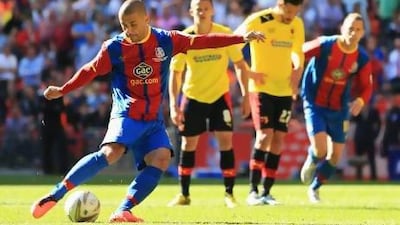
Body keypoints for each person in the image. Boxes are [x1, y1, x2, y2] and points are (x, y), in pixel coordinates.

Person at [30, 0, 265, 223]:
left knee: (161, 158)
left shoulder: (166, 40)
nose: (129, 30)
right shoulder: (114, 47)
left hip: (153, 120)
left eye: (133, 24)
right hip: (127, 115)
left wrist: (240, 38)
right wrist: (63, 89)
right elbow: (90, 70)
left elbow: (202, 41)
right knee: (111, 154)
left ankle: (123, 210)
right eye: (124, 26)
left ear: (147, 19)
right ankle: (55, 194)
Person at [166, 0, 264, 209]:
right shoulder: (184, 38)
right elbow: (175, 74)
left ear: (213, 11)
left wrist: (246, 96)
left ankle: (229, 194)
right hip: (193, 97)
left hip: (220, 97)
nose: (202, 12)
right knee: (188, 144)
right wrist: (174, 105)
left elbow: (240, 65)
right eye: (198, 8)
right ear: (191, 11)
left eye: (206, 8)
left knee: (226, 142)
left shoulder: (224, 33)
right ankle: (184, 194)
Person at [234, 0, 305, 205]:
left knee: (279, 138)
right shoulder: (259, 20)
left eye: (295, 12)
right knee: (265, 135)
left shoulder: (297, 24)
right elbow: (233, 44)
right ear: (280, 4)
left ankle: (267, 191)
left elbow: (298, 52)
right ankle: (252, 191)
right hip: (262, 89)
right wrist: (248, 71)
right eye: (289, 11)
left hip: (284, 91)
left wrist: (298, 69)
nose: (291, 16)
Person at [299, 13, 373, 203]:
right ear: (342, 28)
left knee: (335, 156)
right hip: (315, 103)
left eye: (358, 30)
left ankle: (315, 189)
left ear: (363, 33)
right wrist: (292, 75)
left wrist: (361, 101)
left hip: (339, 109)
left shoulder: (362, 57)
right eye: (350, 28)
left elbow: (367, 86)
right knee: (320, 149)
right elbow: (298, 54)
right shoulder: (325, 44)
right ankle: (313, 158)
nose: (353, 33)